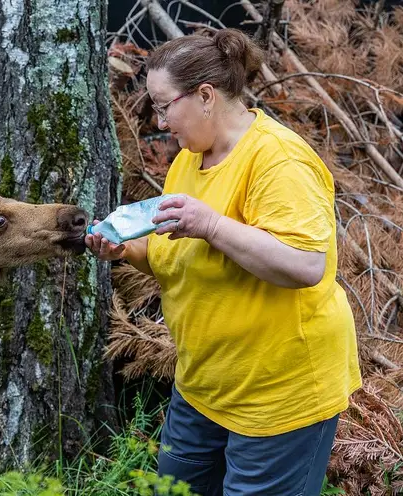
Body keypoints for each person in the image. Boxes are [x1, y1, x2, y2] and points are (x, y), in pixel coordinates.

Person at [85, 28, 362, 496]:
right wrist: (126, 249)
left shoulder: (278, 161)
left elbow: (304, 264)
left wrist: (212, 225)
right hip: (204, 386)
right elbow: (181, 254)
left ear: (206, 95)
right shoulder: (189, 161)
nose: (158, 122)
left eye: (163, 105)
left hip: (278, 395)